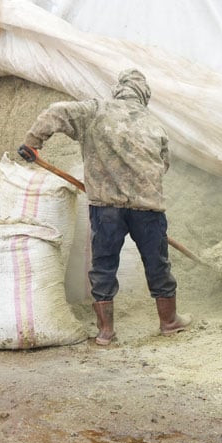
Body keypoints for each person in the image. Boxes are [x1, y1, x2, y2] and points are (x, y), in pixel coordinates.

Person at [19, 69, 190, 346]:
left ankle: (105, 332)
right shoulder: (153, 124)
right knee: (157, 264)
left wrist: (32, 143)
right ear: (144, 95)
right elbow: (163, 165)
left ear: (118, 89)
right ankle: (169, 322)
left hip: (106, 207)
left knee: (104, 265)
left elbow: (55, 113)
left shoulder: (95, 110)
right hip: (148, 208)